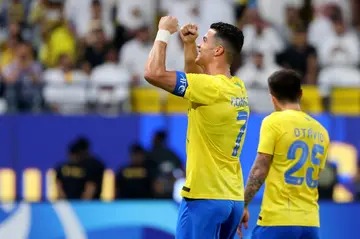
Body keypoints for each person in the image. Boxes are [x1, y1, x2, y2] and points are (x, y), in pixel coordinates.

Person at [144, 16, 248, 239]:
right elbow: (196, 79)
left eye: (204, 40)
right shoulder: (237, 87)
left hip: (204, 198)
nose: (200, 43)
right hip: (233, 198)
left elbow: (153, 73)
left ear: (218, 50)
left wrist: (163, 31)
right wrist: (189, 45)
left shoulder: (210, 88)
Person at [237, 69, 330, 239]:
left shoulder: (273, 122)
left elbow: (260, 168)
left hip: (278, 221)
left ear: (273, 98)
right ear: (301, 94)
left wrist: (243, 205)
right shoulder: (322, 131)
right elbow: (318, 176)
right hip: (310, 223)